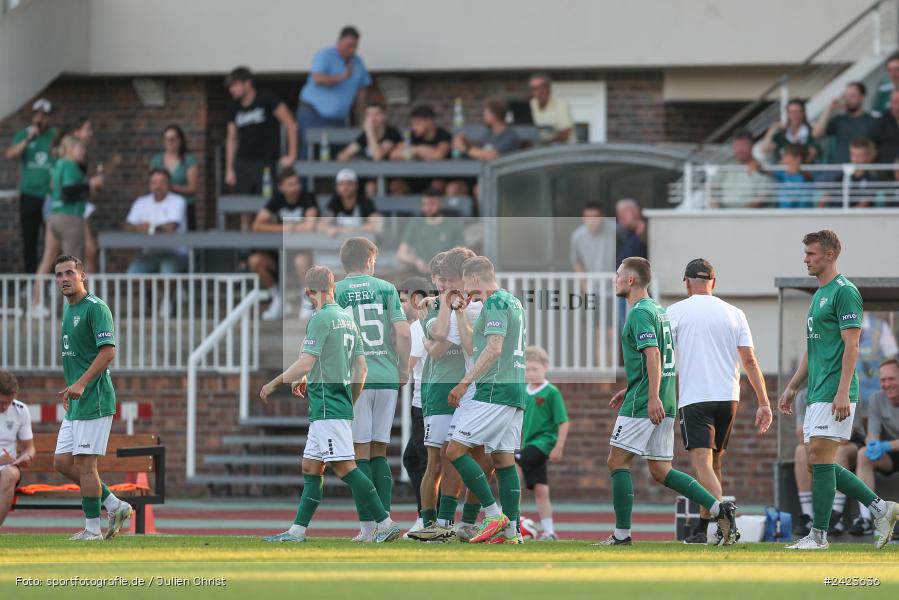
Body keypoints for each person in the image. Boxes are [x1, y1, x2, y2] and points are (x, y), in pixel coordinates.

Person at [597, 257, 738, 546]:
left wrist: (649, 396)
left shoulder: (638, 313)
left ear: (631, 280)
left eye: (618, 275)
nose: (615, 279)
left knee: (616, 462)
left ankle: (622, 535)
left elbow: (653, 355)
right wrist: (636, 387)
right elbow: (655, 358)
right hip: (667, 399)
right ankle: (718, 509)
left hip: (647, 402)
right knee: (661, 471)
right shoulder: (658, 311)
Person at [258, 266, 401, 543]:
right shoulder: (347, 320)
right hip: (336, 403)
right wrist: (351, 398)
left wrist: (273, 383)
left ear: (309, 291)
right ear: (333, 285)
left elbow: (306, 361)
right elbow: (361, 368)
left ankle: (385, 523)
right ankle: (297, 531)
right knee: (311, 468)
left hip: (326, 405)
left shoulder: (321, 318)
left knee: (345, 467)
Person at [778, 229, 899, 549]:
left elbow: (853, 344)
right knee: (814, 460)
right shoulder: (819, 294)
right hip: (817, 389)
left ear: (829, 255)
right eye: (805, 254)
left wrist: (843, 391)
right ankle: (881, 509)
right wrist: (792, 387)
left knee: (819, 458)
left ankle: (818, 536)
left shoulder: (845, 292)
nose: (805, 259)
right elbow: (812, 348)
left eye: (811, 254)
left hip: (835, 390)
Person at [665, 259, 772, 544]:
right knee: (715, 464)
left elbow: (661, 359)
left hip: (695, 397)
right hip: (729, 398)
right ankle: (702, 529)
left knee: (701, 464)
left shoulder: (674, 312)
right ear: (714, 282)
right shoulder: (735, 313)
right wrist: (764, 403)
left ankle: (727, 519)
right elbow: (749, 361)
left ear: (686, 282)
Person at [444, 256, 527, 544]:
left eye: (467, 284)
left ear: (475, 279)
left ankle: (493, 514)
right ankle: (512, 532)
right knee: (503, 460)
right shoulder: (511, 302)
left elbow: (493, 349)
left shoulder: (494, 303)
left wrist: (464, 383)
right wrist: (458, 313)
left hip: (494, 390)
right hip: (515, 389)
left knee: (454, 451)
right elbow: (473, 346)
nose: (466, 291)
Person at [335, 238, 411, 542]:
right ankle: (383, 523)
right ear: (369, 260)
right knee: (380, 452)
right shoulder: (386, 288)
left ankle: (372, 526)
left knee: (359, 455)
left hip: (355, 379)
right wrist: (403, 369)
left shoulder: (336, 291)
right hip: (386, 375)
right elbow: (403, 333)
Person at [51, 255, 132, 540]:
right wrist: (72, 388)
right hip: (76, 400)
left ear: (82, 276)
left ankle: (92, 530)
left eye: (69, 273)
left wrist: (82, 384)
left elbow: (108, 352)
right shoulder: (69, 309)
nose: (64, 278)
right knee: (61, 462)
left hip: (95, 398)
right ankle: (115, 504)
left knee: (86, 464)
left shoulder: (95, 308)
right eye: (59, 274)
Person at [791, 388, 866, 538]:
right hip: (821, 443)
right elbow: (801, 435)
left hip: (851, 445)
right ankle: (808, 516)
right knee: (801, 451)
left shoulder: (847, 391)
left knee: (839, 451)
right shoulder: (804, 395)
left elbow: (846, 437)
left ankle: (835, 516)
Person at [248, 167, 319, 321]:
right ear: (281, 186)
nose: (294, 188)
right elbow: (257, 225)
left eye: (296, 183)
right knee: (255, 261)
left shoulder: (308, 197)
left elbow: (310, 225)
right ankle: (277, 298)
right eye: (290, 184)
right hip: (279, 254)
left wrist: (288, 228)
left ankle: (307, 298)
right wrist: (286, 228)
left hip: (302, 252)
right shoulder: (277, 199)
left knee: (300, 261)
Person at [517, 345, 569, 541]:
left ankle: (512, 516)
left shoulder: (551, 392)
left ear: (545, 367)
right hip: (528, 444)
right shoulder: (523, 391)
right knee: (541, 489)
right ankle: (549, 531)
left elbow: (563, 422)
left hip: (545, 443)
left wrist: (558, 447)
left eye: (534, 369)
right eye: (527, 370)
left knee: (512, 461)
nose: (530, 373)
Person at [297, 26, 372, 160]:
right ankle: (303, 181)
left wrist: (362, 117)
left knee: (341, 154)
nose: (351, 50)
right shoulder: (325, 55)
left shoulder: (358, 62)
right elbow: (317, 78)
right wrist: (342, 76)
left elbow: (362, 89)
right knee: (308, 153)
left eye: (354, 46)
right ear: (339, 41)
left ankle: (337, 181)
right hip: (313, 114)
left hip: (339, 119)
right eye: (348, 45)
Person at [224, 66, 297, 194]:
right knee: (243, 207)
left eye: (235, 85)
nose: (231, 90)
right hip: (243, 162)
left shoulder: (267, 99)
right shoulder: (233, 107)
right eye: (230, 86)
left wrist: (292, 155)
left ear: (247, 83)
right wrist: (229, 169)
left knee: (266, 204)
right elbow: (232, 138)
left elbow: (290, 124)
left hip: (267, 161)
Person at [4, 98, 56, 274]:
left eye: (44, 115)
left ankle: (49, 279)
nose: (40, 118)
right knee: (30, 240)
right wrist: (28, 139)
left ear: (49, 118)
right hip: (29, 195)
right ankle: (29, 281)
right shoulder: (25, 134)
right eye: (37, 114)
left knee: (53, 241)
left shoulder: (55, 136)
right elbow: (10, 154)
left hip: (50, 195)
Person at [398, 276, 432, 536]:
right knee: (415, 459)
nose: (400, 306)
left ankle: (428, 518)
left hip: (426, 401)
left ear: (417, 298)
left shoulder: (420, 326)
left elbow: (408, 367)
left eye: (402, 300)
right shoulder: (418, 325)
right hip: (421, 400)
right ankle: (431, 516)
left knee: (421, 460)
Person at [852, 358, 899, 535]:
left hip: (889, 447)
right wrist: (872, 444)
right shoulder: (876, 399)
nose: (886, 384)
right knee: (864, 454)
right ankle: (865, 519)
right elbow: (872, 433)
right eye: (883, 380)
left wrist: (886, 445)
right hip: (891, 455)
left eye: (891, 379)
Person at [123, 169, 188, 274]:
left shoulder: (178, 201)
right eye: (154, 182)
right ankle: (149, 291)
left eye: (162, 182)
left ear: (169, 184)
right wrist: (137, 228)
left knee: (167, 271)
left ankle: (166, 291)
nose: (158, 186)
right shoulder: (141, 202)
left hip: (175, 253)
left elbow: (171, 227)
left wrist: (149, 228)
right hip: (149, 254)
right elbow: (127, 226)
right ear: (149, 185)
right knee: (132, 273)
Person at [395, 190, 465, 275]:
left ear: (441, 204)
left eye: (432, 204)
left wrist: (447, 265)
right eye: (424, 204)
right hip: (420, 275)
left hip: (447, 276)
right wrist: (416, 261)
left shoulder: (453, 225)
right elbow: (401, 254)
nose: (428, 207)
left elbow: (462, 254)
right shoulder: (415, 223)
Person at [0, 370, 36, 527]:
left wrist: (26, 457)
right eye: (0, 402)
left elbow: (29, 447)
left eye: (7, 402)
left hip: (7, 468)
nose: (4, 407)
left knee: (11, 473)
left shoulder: (20, 410)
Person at [812, 82, 879, 165]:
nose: (847, 99)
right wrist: (829, 109)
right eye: (845, 96)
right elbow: (816, 134)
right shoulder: (839, 119)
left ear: (862, 97)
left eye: (852, 96)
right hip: (839, 169)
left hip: (862, 169)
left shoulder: (873, 121)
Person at [150, 125, 199, 230]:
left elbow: (192, 188)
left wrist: (171, 188)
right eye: (166, 139)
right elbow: (152, 182)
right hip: (162, 204)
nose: (169, 142)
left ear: (180, 140)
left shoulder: (188, 160)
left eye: (173, 139)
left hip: (185, 205)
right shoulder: (157, 160)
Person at [711, 129, 771, 208]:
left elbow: (762, 197)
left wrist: (742, 213)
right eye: (737, 145)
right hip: (724, 215)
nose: (740, 149)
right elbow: (713, 189)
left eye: (744, 145)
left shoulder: (760, 168)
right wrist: (715, 205)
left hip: (750, 216)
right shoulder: (726, 166)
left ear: (752, 146)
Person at [452, 98, 519, 161]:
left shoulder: (510, 136)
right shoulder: (488, 135)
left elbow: (492, 155)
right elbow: (479, 151)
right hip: (484, 172)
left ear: (494, 115)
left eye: (486, 114)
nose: (484, 117)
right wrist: (466, 143)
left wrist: (465, 149)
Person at [319, 169, 382, 235]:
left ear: (356, 185)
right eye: (341, 184)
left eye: (349, 183)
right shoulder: (335, 201)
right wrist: (328, 229)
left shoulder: (364, 201)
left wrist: (351, 230)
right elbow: (321, 225)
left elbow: (376, 225)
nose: (345, 187)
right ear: (337, 187)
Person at [760, 99, 820, 163]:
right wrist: (773, 128)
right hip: (782, 171)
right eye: (791, 112)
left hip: (805, 171)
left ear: (803, 113)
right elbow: (764, 149)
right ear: (787, 114)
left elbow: (813, 153)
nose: (794, 115)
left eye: (797, 112)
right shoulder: (781, 134)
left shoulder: (811, 132)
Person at [571, 202, 616, 276]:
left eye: (595, 216)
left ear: (602, 217)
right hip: (590, 284)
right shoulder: (577, 236)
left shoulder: (616, 231)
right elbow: (577, 262)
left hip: (615, 283)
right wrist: (585, 285)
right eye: (588, 217)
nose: (592, 220)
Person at [528, 73, 575, 145]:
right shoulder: (530, 105)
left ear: (548, 88)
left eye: (541, 87)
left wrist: (543, 144)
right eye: (534, 89)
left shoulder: (561, 105)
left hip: (563, 152)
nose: (538, 92)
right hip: (537, 152)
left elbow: (565, 134)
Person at [771, 144, 814, 209]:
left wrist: (796, 170)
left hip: (803, 215)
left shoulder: (807, 175)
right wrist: (757, 166)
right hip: (783, 216)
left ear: (797, 158)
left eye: (786, 154)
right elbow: (766, 172)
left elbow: (809, 177)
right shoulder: (781, 173)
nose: (783, 157)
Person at [873, 90, 899, 164]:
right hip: (885, 168)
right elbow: (873, 143)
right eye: (894, 102)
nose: (897, 106)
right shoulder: (882, 120)